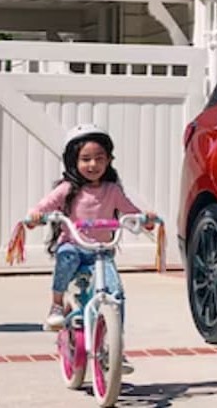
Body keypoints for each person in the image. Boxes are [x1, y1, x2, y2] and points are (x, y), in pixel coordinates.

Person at [21, 124, 157, 372]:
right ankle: (57, 304)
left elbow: (129, 210)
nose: (93, 164)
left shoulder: (112, 190)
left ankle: (114, 349)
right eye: (85, 159)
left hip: (102, 252)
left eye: (99, 158)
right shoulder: (67, 188)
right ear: (73, 161)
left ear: (108, 160)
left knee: (115, 295)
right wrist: (36, 214)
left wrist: (144, 219)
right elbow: (46, 204)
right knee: (67, 257)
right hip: (75, 244)